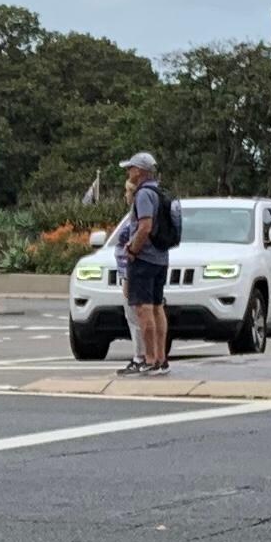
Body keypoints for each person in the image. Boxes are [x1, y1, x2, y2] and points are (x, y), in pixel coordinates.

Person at [110, 149, 173, 374]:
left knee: (143, 309)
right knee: (157, 308)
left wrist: (133, 250)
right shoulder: (159, 192)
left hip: (144, 259)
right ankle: (161, 359)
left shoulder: (144, 195)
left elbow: (144, 226)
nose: (128, 172)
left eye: (130, 168)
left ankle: (149, 359)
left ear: (139, 171)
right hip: (160, 257)